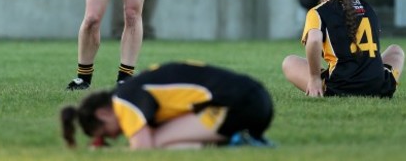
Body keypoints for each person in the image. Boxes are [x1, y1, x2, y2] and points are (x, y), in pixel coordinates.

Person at [60, 61, 274, 149]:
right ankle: (240, 139)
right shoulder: (133, 89)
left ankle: (238, 139)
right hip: (256, 98)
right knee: (162, 136)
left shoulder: (122, 100)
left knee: (157, 141)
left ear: (103, 113)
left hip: (242, 105)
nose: (114, 137)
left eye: (106, 132)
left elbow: (144, 149)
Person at [282, 0, 405, 98]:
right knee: (396, 51)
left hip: (340, 87)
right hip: (379, 87)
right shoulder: (368, 7)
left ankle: (319, 85)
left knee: (289, 62)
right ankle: (376, 80)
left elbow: (314, 41)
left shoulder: (318, 12)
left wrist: (314, 77)